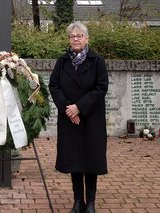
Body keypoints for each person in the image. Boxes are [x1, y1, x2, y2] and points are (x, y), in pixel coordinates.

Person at [49, 21, 108, 213]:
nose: (75, 39)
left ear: (86, 38)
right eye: (72, 36)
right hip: (69, 119)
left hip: (91, 118)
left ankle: (90, 203)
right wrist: (68, 109)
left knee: (91, 160)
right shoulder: (62, 61)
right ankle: (77, 201)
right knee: (74, 160)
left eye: (79, 36)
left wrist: (79, 108)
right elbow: (54, 86)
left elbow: (101, 88)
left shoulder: (97, 60)